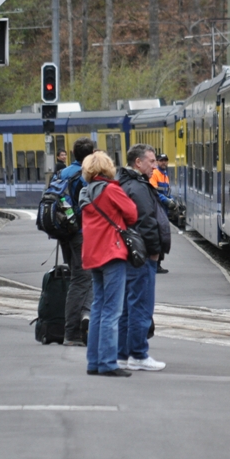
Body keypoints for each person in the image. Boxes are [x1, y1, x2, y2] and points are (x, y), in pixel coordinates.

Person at [79, 151, 139, 377]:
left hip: (92, 254)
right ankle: (107, 362)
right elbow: (132, 214)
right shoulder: (112, 190)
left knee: (98, 307)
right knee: (113, 311)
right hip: (111, 253)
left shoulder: (85, 192)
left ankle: (93, 361)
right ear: (108, 169)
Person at [116, 143, 170, 371]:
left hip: (128, 253)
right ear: (138, 162)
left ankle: (122, 353)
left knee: (128, 306)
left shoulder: (125, 183)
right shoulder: (138, 188)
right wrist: (155, 251)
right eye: (150, 161)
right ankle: (138, 354)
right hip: (142, 255)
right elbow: (146, 222)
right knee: (141, 305)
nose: (154, 165)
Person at [57, 138, 95, 346]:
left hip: (64, 231)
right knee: (81, 279)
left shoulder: (63, 172)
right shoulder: (83, 176)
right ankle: (71, 333)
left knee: (76, 277)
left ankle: (79, 322)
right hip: (79, 232)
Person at [149, 154, 172, 274]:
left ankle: (158, 264)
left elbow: (167, 191)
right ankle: (156, 264)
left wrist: (172, 200)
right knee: (159, 236)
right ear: (157, 162)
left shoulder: (165, 174)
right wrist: (167, 201)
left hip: (163, 209)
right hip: (159, 208)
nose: (164, 163)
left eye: (165, 160)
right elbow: (155, 192)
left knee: (162, 236)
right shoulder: (155, 174)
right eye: (161, 160)